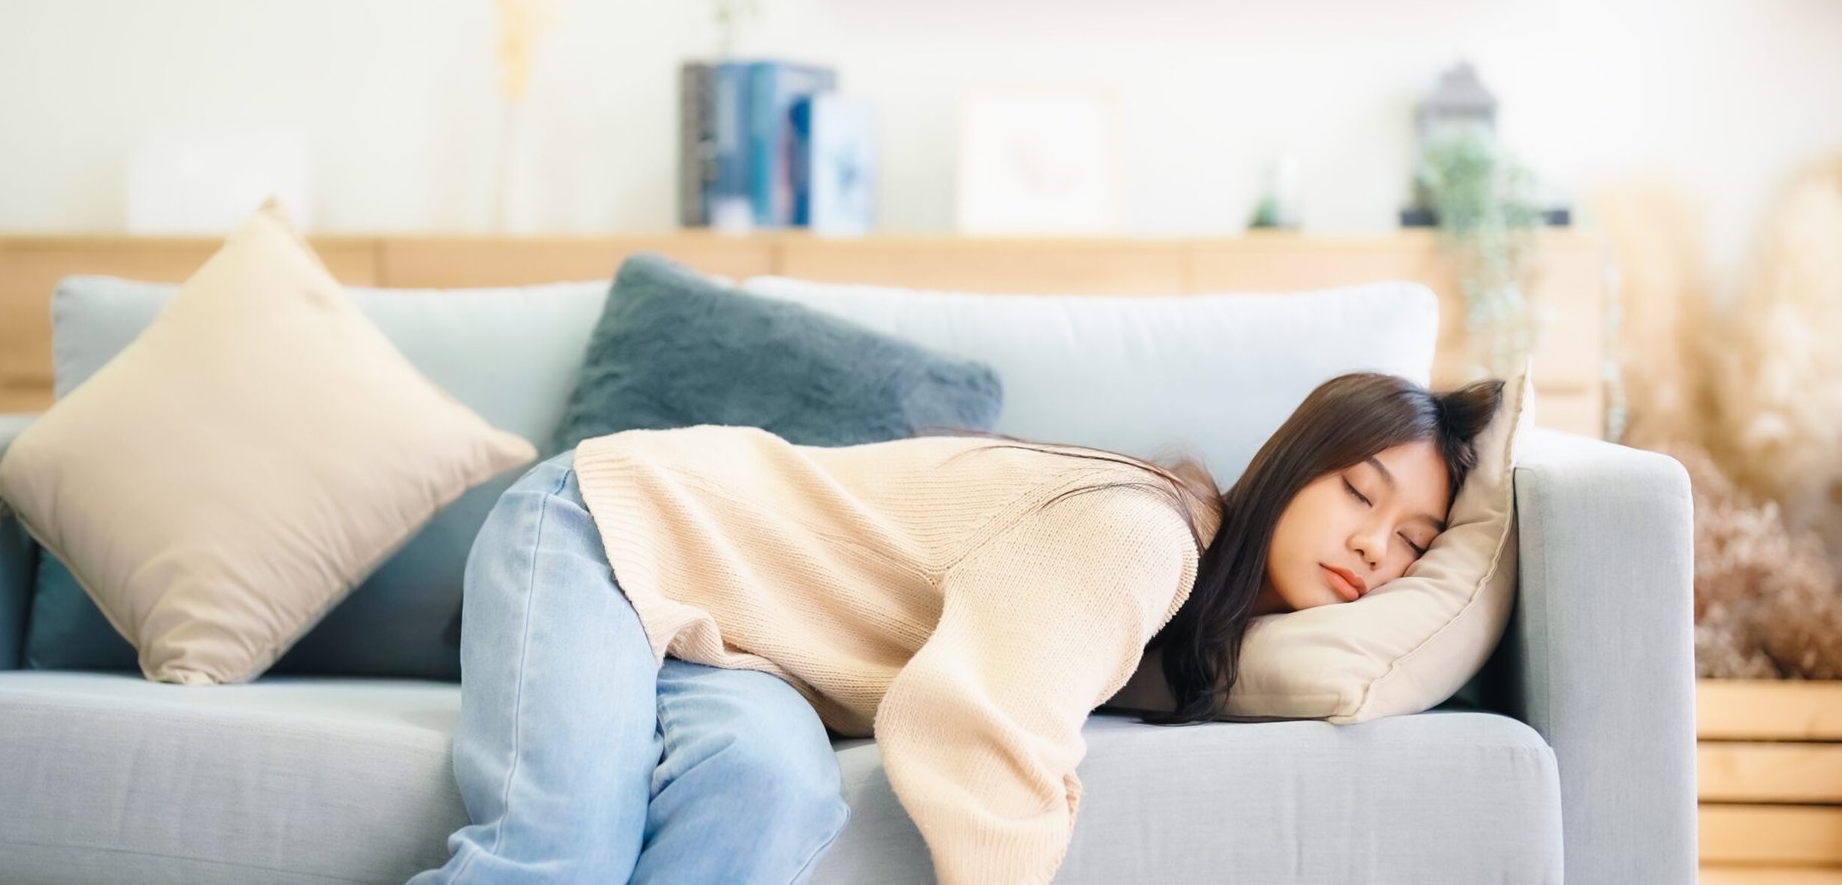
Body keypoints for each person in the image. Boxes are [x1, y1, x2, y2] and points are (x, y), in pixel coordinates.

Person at [408, 370, 1502, 885]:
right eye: (1359, 494)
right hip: (611, 526)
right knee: (557, 861)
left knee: (770, 794)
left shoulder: (1206, 628)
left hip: (738, 647)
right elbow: (974, 724)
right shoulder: (1146, 537)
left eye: (1415, 540)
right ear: (1290, 469)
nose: (1377, 550)